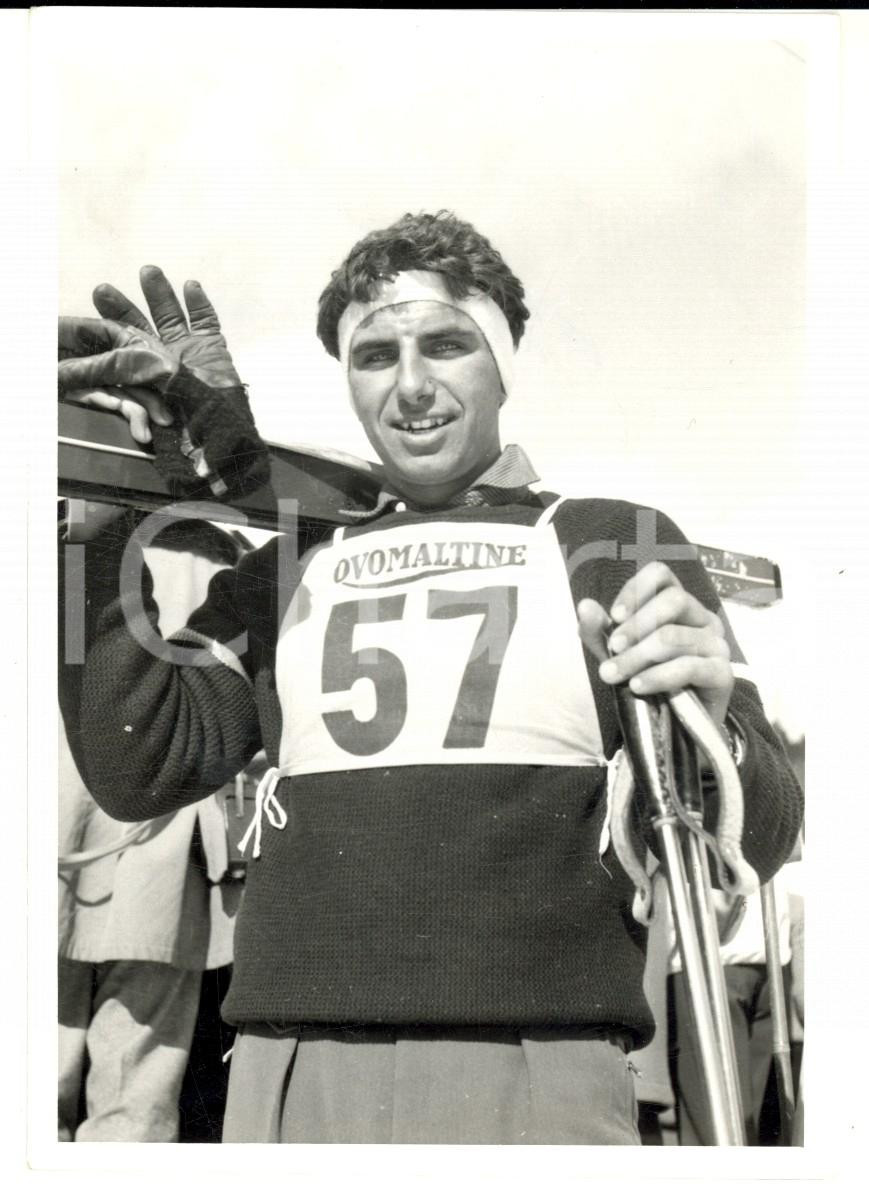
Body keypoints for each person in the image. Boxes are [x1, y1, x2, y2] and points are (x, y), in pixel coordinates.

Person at [57, 211, 803, 1145]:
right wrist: (105, 526)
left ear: (501, 362)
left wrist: (712, 721)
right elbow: (139, 767)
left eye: (446, 346)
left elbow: (764, 832)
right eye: (374, 356)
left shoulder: (610, 536)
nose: (410, 388)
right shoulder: (289, 564)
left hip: (533, 1061)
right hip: (292, 1068)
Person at [57, 516, 249, 1141]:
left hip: (130, 836)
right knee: (126, 1094)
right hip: (119, 835)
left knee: (108, 1090)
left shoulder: (71, 534)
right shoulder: (228, 557)